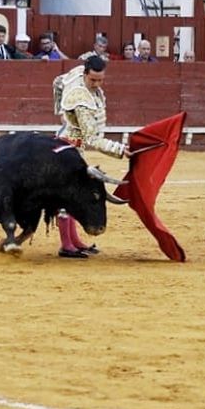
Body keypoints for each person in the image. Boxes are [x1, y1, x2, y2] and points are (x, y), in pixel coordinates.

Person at [50, 56, 128, 258]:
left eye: (101, 80)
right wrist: (119, 149)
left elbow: (57, 82)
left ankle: (74, 241)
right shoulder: (81, 100)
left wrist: (61, 112)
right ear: (85, 74)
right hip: (69, 149)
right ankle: (66, 245)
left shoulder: (77, 72)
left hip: (71, 143)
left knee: (75, 193)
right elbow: (92, 138)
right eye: (93, 80)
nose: (97, 84)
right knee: (69, 196)